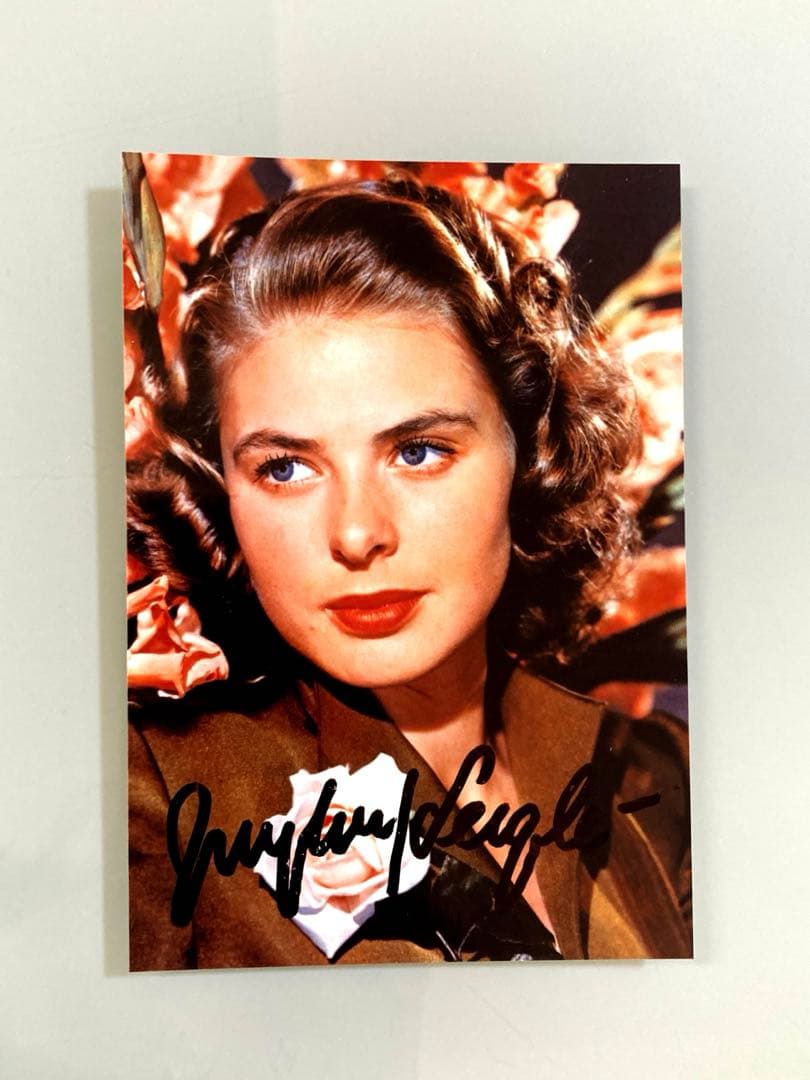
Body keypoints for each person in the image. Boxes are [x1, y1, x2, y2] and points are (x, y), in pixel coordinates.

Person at [127, 177, 691, 969]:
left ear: (528, 455)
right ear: (223, 490)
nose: (357, 534)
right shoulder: (150, 797)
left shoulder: (654, 779)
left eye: (418, 452)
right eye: (285, 467)